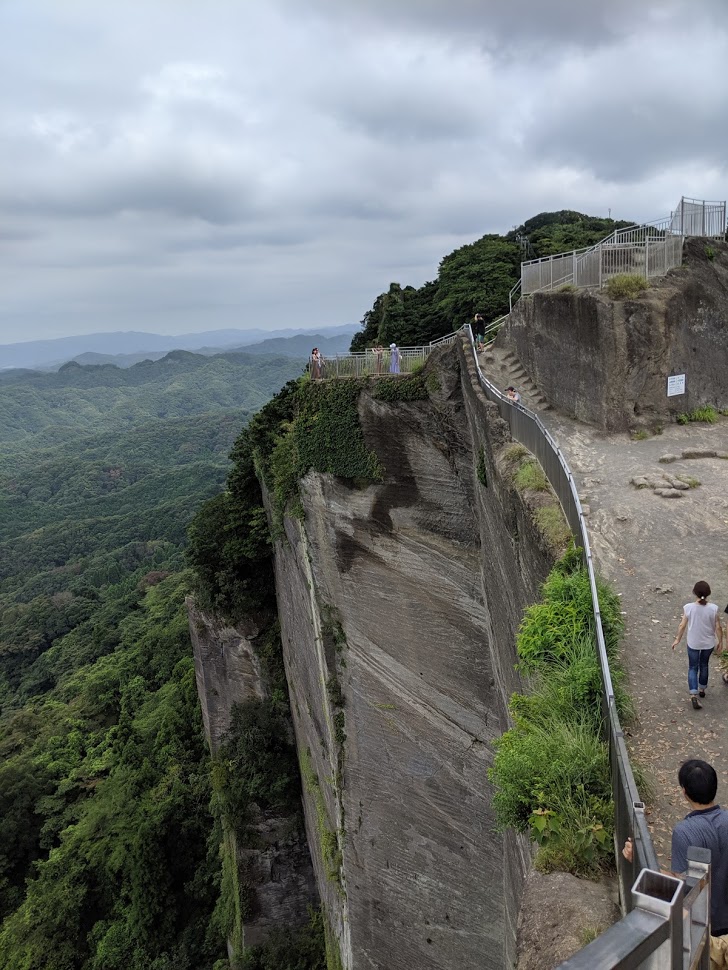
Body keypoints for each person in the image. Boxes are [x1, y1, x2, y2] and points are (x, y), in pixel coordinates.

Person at [623, 759, 728, 944]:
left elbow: (681, 882)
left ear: (684, 792)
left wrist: (640, 860)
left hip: (705, 926)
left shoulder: (684, 831)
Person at [672, 581, 723, 709]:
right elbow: (718, 627)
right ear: (708, 594)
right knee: (704, 665)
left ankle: (693, 694)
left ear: (694, 592)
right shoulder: (713, 608)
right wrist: (720, 641)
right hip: (708, 643)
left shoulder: (688, 607)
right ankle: (702, 689)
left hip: (693, 642)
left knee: (693, 667)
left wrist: (678, 639)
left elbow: (682, 625)